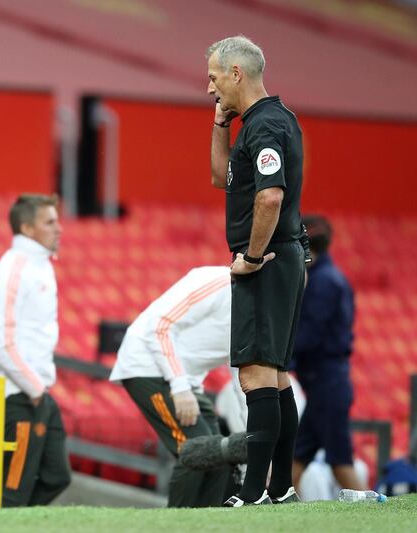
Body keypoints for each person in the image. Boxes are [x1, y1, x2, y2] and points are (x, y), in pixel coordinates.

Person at [207, 35, 307, 506]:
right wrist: (219, 126)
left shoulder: (266, 126)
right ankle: (283, 486)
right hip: (281, 257)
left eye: (213, 77)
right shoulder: (263, 122)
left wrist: (249, 257)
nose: (210, 88)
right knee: (276, 374)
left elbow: (270, 196)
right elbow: (220, 177)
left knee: (255, 374)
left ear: (236, 73)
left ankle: (252, 494)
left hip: (265, 260)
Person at [110, 266, 240, 507]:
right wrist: (180, 387)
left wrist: (253, 452)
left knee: (220, 458)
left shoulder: (264, 315)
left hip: (187, 380)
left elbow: (243, 378)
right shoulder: (218, 282)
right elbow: (159, 326)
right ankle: (175, 523)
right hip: (148, 366)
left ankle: (205, 524)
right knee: (197, 449)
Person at [0, 194, 71, 507]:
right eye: (50, 222)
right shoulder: (11, 271)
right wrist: (33, 387)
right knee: (13, 489)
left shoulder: (39, 265)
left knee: (57, 477)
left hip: (33, 390)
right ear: (28, 229)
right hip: (15, 395)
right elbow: (1, 342)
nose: (59, 229)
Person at [291, 215, 366, 492]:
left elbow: (310, 335)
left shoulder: (322, 281)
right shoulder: (333, 278)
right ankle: (276, 507)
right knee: (297, 456)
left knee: (340, 462)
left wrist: (279, 355)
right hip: (327, 383)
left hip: (327, 383)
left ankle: (374, 518)